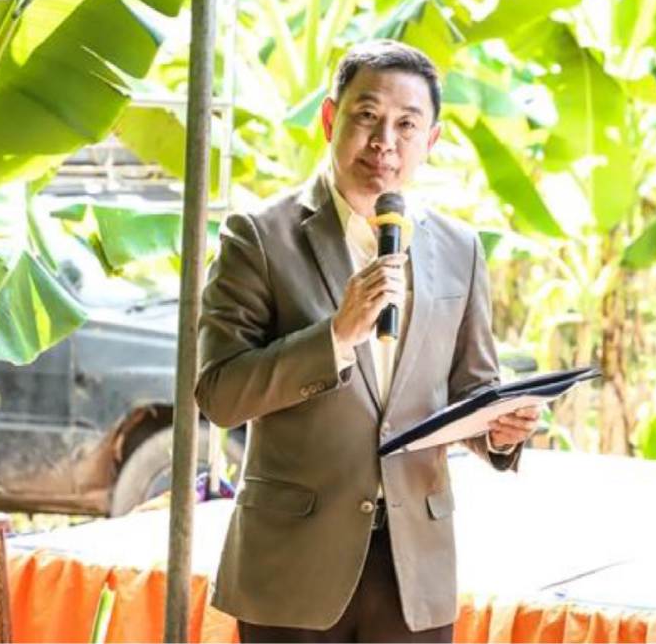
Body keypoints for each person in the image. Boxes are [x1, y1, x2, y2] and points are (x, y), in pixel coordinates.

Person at [195, 39, 539, 643]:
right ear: (330, 119)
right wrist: (336, 335)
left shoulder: (460, 248)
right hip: (292, 566)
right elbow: (220, 395)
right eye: (367, 115)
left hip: (414, 570)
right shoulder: (258, 237)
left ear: (431, 141)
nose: (385, 142)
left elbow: (472, 389)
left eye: (407, 124)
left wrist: (499, 431)